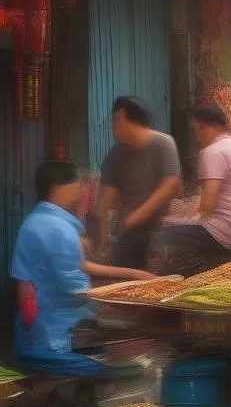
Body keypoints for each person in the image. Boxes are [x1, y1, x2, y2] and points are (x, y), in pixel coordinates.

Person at [11, 160, 154, 376]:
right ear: (58, 186)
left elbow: (81, 265)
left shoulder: (38, 220)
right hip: (57, 333)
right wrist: (128, 301)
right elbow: (77, 289)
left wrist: (134, 275)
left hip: (38, 322)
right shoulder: (58, 229)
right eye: (78, 185)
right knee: (133, 368)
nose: (81, 191)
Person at [150, 105, 231, 275]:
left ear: (205, 127)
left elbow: (208, 203)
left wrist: (183, 216)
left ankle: (189, 280)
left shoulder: (212, 151)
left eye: (195, 130)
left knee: (160, 238)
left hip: (224, 230)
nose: (196, 136)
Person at [95, 96, 181, 269]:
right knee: (123, 277)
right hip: (127, 231)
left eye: (114, 120)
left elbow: (170, 184)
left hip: (159, 226)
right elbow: (107, 201)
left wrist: (137, 216)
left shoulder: (163, 144)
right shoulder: (115, 154)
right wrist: (100, 241)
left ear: (122, 119)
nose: (112, 126)